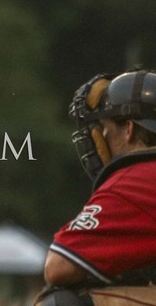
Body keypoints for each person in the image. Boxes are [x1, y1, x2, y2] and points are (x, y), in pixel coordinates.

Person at [39, 70, 156, 303]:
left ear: (129, 128)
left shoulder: (137, 180)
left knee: (61, 301)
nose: (102, 135)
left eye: (105, 126)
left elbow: (58, 266)